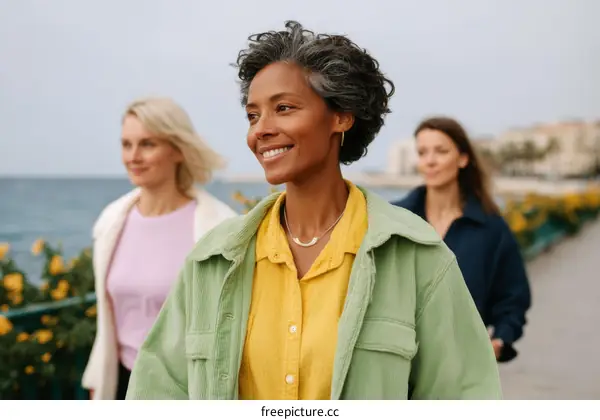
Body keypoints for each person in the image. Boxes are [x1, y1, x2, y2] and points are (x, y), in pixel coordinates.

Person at [126, 21, 502, 400]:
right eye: (253, 115)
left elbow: (465, 395)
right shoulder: (212, 261)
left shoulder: (418, 256)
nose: (261, 130)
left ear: (341, 116)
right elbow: (156, 391)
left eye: (284, 108)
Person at [81, 96, 237, 400]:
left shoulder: (219, 227)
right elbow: (109, 322)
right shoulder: (111, 222)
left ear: (178, 149)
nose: (133, 156)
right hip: (119, 385)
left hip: (185, 390)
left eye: (147, 144)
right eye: (126, 145)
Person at [392, 116, 532, 363]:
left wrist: (499, 342)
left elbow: (513, 298)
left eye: (441, 151)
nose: (430, 161)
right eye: (422, 152)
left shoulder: (491, 228)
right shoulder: (394, 220)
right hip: (398, 366)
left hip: (460, 369)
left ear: (463, 159)